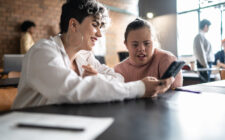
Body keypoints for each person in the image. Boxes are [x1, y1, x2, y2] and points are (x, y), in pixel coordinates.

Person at [12, 0, 174, 109]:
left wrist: (97, 78)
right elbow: (70, 91)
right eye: (95, 25)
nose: (100, 34)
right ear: (74, 25)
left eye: (101, 27)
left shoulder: (84, 56)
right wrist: (140, 87)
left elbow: (118, 78)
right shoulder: (43, 51)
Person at [114, 18, 182, 89]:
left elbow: (174, 96)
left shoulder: (167, 60)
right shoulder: (118, 70)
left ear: (154, 41)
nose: (141, 48)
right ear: (126, 44)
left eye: (147, 43)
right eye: (135, 44)